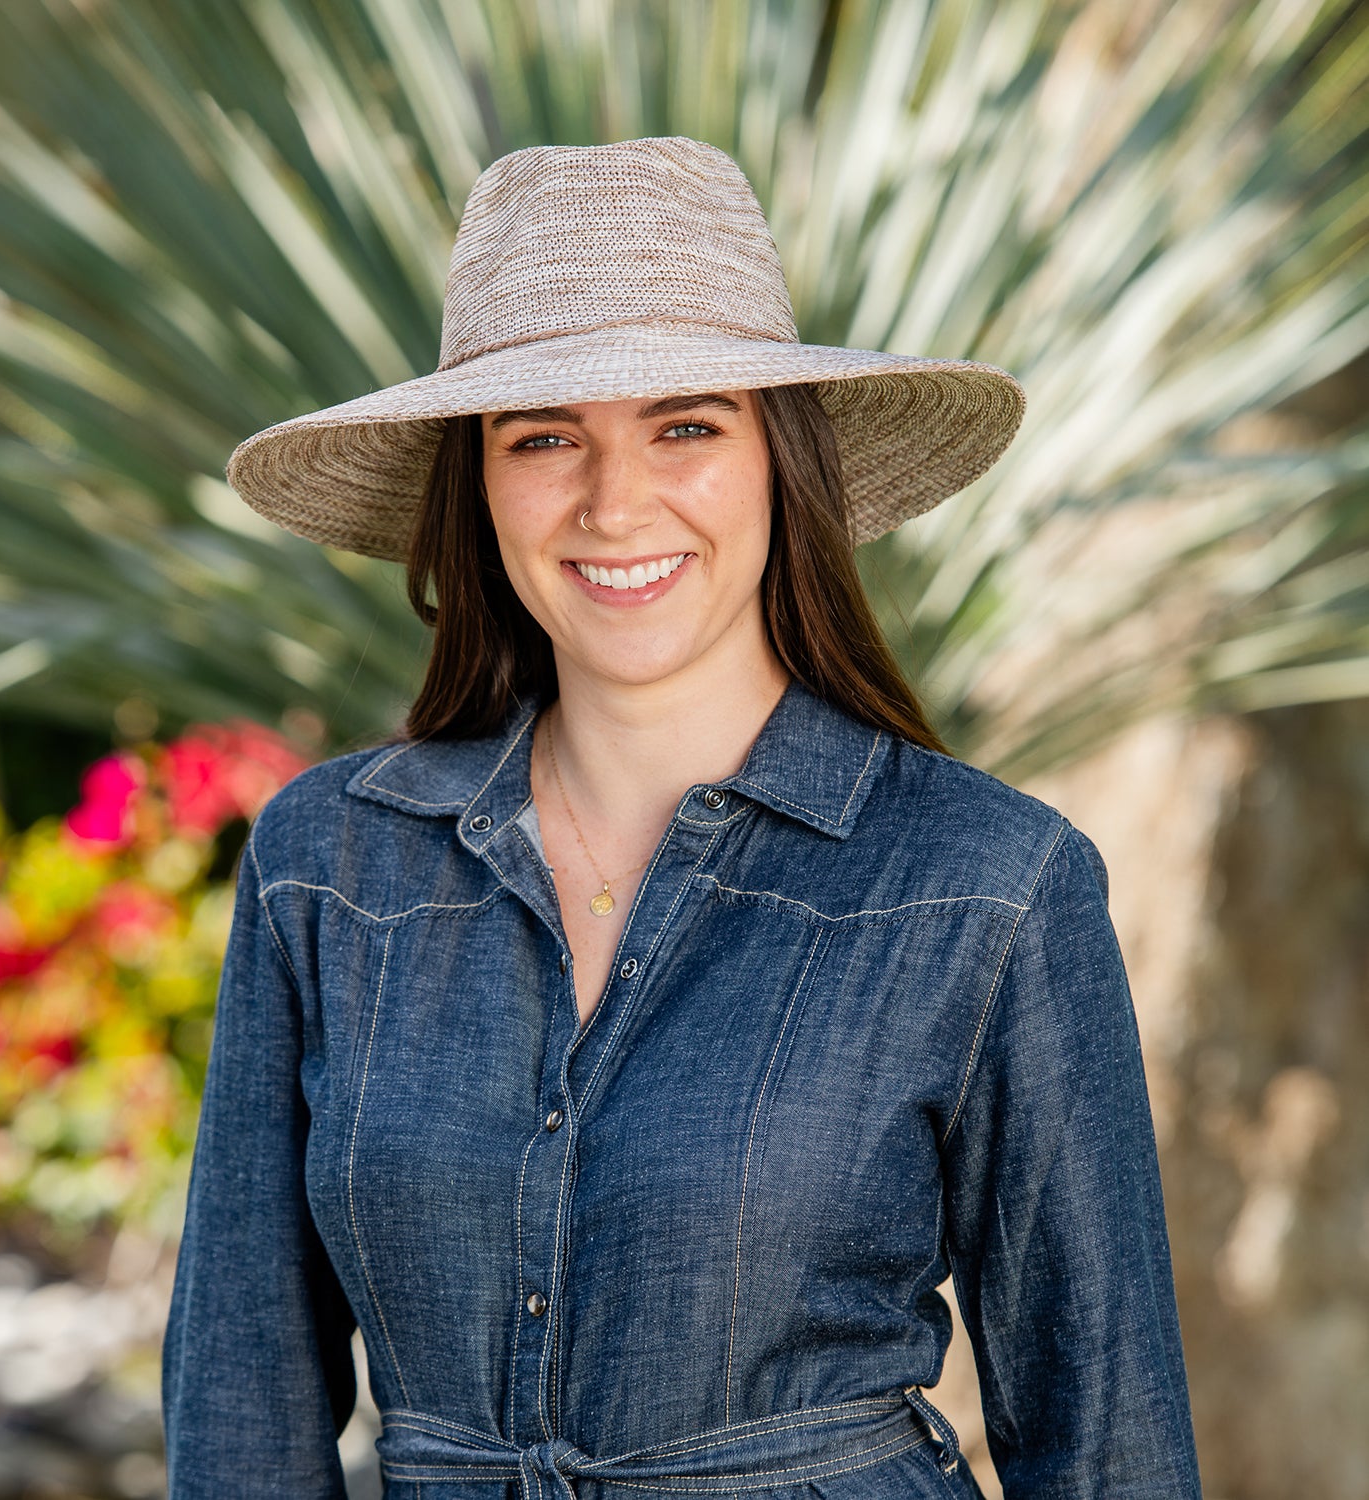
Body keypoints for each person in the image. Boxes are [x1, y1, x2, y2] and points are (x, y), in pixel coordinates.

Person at [163, 137, 1202, 1500]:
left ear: (784, 459)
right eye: (545, 436)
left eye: (687, 425)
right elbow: (241, 1399)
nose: (614, 501)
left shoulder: (990, 887)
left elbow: (1109, 1436)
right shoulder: (330, 866)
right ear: (478, 484)